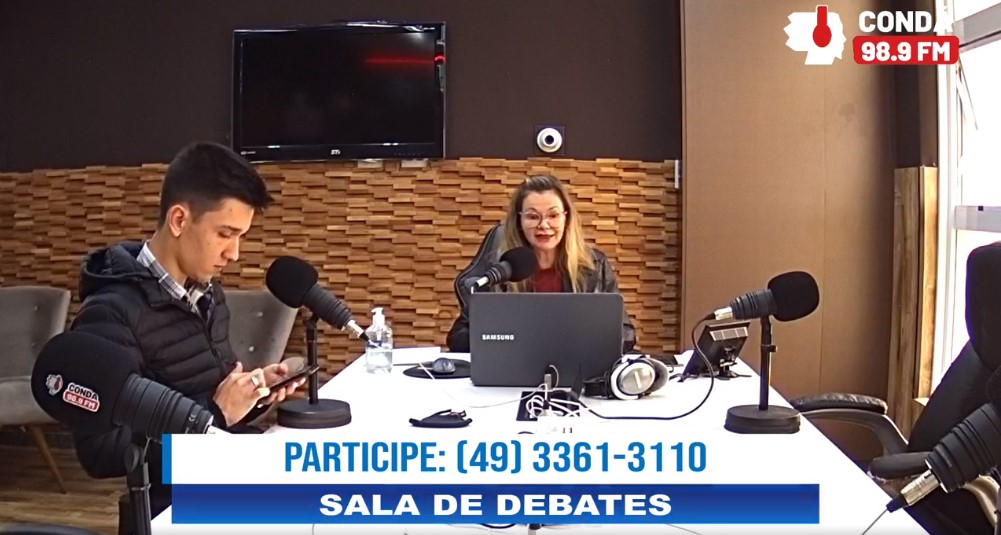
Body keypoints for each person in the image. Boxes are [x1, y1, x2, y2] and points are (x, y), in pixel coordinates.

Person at [68, 142, 304, 527]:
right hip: (173, 509)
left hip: (228, 473)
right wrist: (212, 416)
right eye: (225, 233)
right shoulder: (109, 313)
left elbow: (215, 396)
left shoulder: (209, 295)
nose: (234, 253)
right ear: (179, 220)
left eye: (241, 236)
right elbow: (99, 452)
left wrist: (254, 392)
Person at [446, 174, 637, 353]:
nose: (544, 225)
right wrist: (503, 337)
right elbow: (458, 338)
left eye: (553, 216)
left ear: (566, 218)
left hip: (578, 367)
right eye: (532, 216)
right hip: (515, 367)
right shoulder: (499, 269)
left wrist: (587, 339)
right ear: (519, 221)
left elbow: (626, 333)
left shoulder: (594, 265)